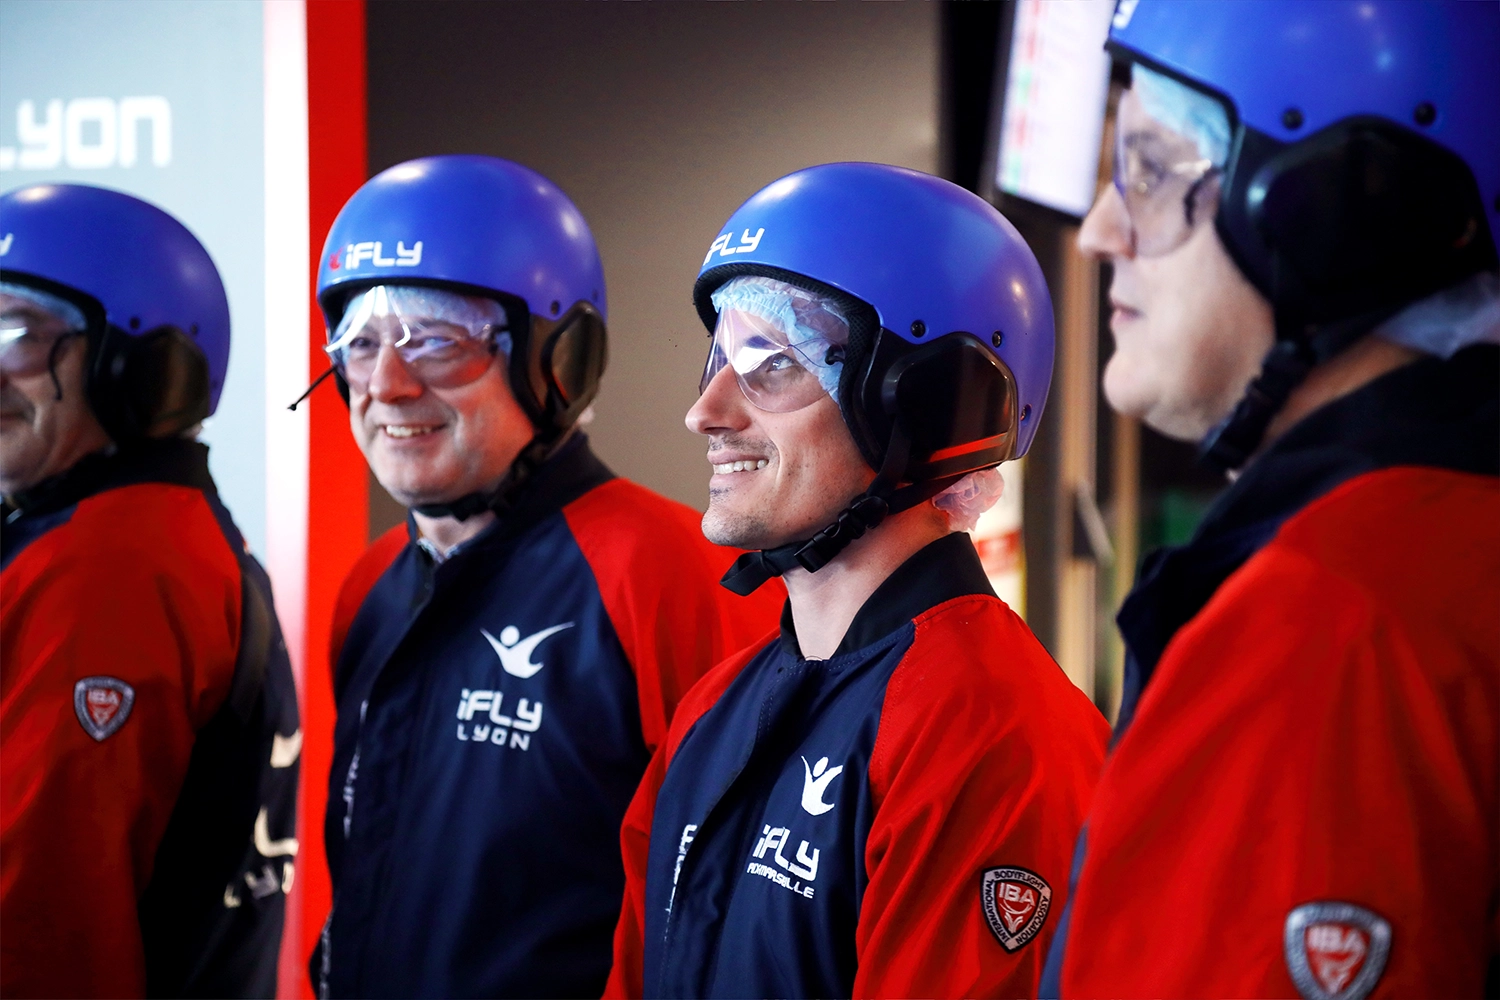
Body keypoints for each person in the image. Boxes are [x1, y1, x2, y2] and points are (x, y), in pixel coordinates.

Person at [1041, 2, 1499, 997]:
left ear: (1330, 213)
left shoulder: (1336, 622)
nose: (1099, 231)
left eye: (1151, 171)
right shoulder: (1441, 543)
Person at [605, 162, 1111, 999]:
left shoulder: (990, 735)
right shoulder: (710, 713)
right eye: (719, 360)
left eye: (771, 361)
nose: (707, 410)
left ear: (925, 403)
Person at [309, 155, 782, 999]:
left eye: (436, 340)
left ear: (557, 358)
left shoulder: (667, 573)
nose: (386, 383)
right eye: (361, 342)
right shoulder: (373, 587)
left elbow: (736, 919)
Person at [0, 184, 301, 998]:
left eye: (18, 334)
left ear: (138, 365)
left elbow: (40, 927)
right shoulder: (156, 534)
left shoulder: (108, 567)